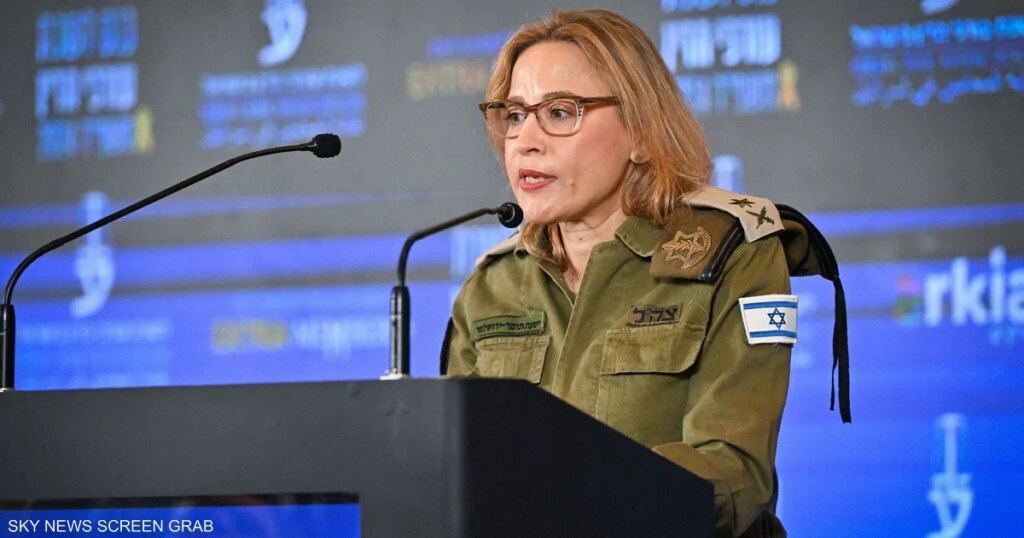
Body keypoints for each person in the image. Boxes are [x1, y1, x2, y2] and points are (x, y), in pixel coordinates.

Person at [441, 9, 849, 537]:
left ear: (639, 130)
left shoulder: (731, 253)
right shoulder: (491, 284)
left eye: (560, 112)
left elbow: (732, 473)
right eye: (515, 114)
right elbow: (454, 473)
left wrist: (569, 504)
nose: (525, 140)